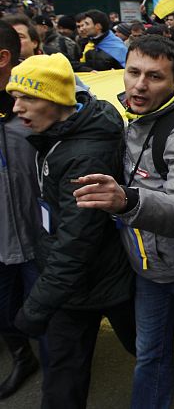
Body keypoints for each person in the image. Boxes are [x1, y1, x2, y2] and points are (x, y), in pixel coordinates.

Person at [71, 35, 174, 409]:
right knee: (150, 356)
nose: (139, 85)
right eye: (133, 72)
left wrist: (126, 200)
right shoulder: (132, 118)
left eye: (154, 76)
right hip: (148, 272)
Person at [7, 53, 136, 409]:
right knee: (63, 381)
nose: (16, 107)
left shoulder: (85, 158)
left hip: (97, 281)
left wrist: (35, 308)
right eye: (15, 97)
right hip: (77, 284)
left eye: (27, 97)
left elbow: (75, 244)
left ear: (55, 99)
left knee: (144, 347)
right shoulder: (60, 132)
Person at [0, 21, 42, 400]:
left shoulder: (46, 99)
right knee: (5, 312)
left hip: (39, 239)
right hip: (1, 243)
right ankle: (21, 358)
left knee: (46, 315)